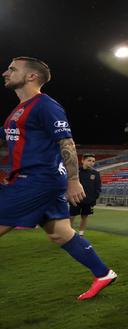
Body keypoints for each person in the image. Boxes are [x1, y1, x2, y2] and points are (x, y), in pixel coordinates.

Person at [0, 56, 116, 300]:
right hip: (36, 179)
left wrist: (73, 180)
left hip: (37, 180)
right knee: (60, 233)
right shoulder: (19, 109)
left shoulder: (45, 105)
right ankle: (103, 273)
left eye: (12, 69)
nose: (5, 73)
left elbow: (66, 142)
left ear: (31, 76)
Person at [69, 153, 101, 236]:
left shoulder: (96, 173)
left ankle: (81, 233)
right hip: (76, 199)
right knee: (72, 216)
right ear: (82, 161)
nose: (91, 163)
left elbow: (98, 187)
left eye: (93, 161)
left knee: (85, 216)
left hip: (88, 200)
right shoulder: (76, 172)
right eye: (89, 160)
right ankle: (69, 233)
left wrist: (94, 198)